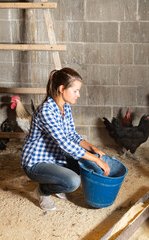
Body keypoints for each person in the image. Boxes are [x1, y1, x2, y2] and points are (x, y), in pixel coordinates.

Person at [21, 68, 110, 211]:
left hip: (55, 158)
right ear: (62, 89)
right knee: (72, 181)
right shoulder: (46, 111)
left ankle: (57, 180)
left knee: (88, 160)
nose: (78, 95)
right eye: (75, 91)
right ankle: (43, 191)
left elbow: (72, 135)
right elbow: (65, 144)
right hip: (36, 163)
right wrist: (97, 160)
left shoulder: (65, 108)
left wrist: (93, 149)